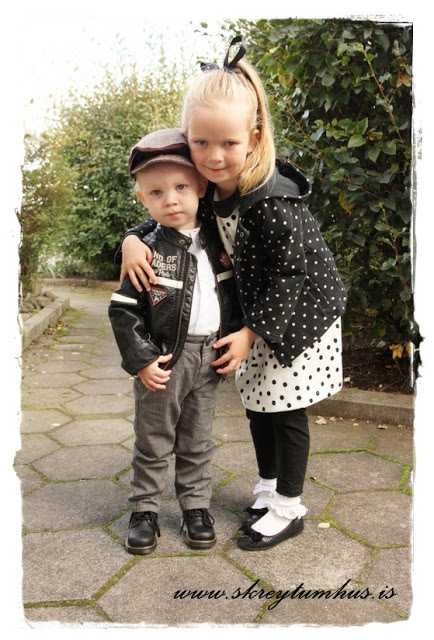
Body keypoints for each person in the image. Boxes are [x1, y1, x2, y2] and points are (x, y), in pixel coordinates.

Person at [118, 37, 347, 551]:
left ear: (254, 137)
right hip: (256, 318)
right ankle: (268, 488)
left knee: (285, 409)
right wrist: (132, 238)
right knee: (259, 403)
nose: (214, 156)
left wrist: (252, 332)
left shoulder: (270, 201)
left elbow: (290, 274)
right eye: (201, 143)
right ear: (187, 140)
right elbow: (169, 216)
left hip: (297, 315)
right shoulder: (211, 189)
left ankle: (289, 506)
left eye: (228, 143)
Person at [109, 128, 241, 555]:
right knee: (154, 439)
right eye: (156, 192)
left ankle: (195, 507)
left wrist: (236, 336)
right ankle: (144, 509)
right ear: (142, 199)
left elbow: (232, 295)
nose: (171, 199)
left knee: (197, 439)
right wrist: (142, 359)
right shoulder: (146, 250)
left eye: (181, 187)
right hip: (164, 362)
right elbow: (123, 311)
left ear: (200, 186)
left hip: (210, 357)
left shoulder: (220, 241)